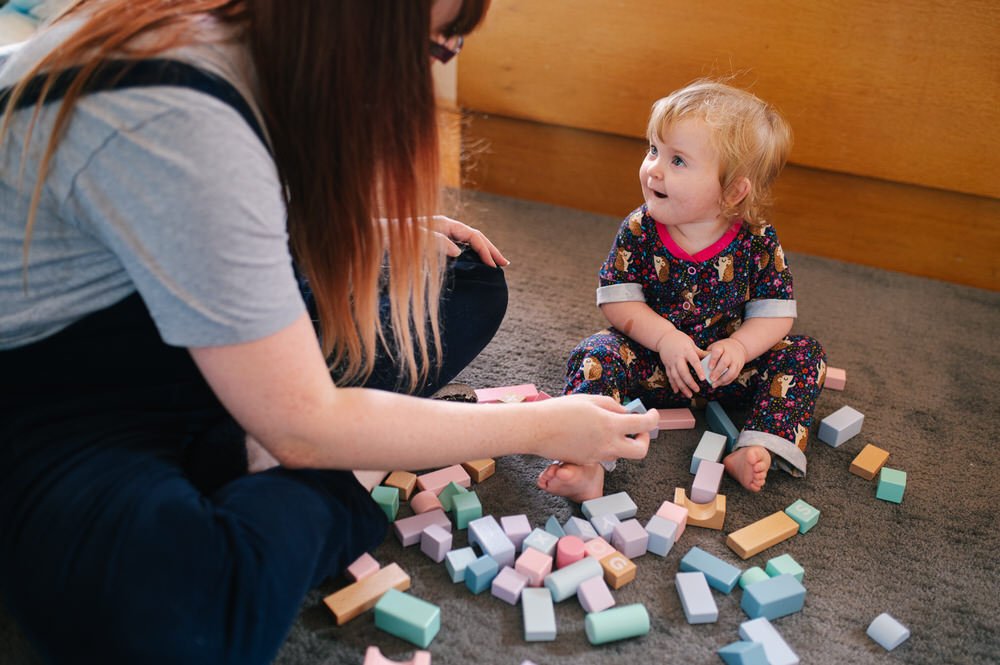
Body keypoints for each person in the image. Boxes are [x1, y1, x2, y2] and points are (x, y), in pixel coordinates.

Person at [0, 1, 660, 663]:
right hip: (57, 385)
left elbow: (206, 223)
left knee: (464, 277)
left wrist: (360, 238)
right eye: (435, 47)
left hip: (173, 323)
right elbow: (301, 419)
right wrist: (541, 426)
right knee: (182, 621)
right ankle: (307, 466)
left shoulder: (250, 39)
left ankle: (258, 450)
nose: (434, 74)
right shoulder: (182, 118)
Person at [538, 80, 827, 502]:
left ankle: (757, 444)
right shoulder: (640, 228)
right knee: (595, 353)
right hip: (653, 362)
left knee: (804, 355)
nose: (654, 168)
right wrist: (666, 339)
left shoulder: (757, 239)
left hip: (725, 368)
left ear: (732, 192)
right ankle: (586, 464)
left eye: (677, 160)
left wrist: (741, 348)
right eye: (653, 150)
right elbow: (619, 301)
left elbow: (776, 312)